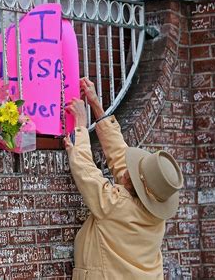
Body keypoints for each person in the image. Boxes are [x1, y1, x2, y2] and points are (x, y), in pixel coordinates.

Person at [64, 77, 184, 280]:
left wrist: (80, 127)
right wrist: (96, 105)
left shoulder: (115, 205)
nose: (127, 171)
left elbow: (86, 172)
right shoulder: (156, 215)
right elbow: (120, 156)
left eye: (134, 173)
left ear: (135, 184)